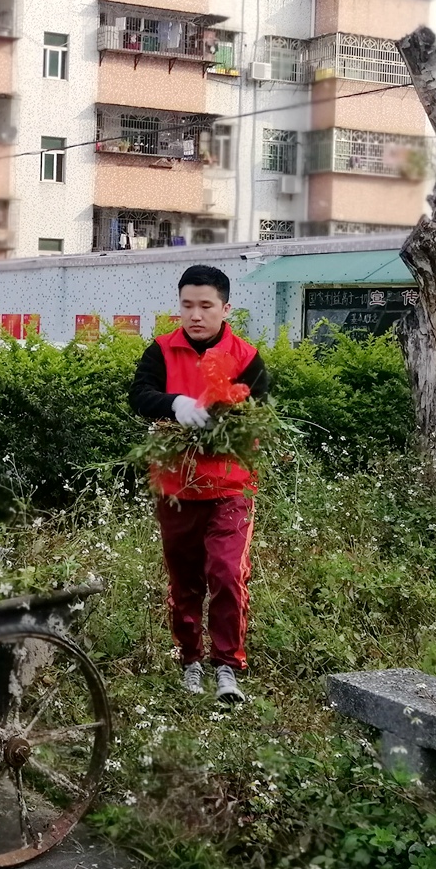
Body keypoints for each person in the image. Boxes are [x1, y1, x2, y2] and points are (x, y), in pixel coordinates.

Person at [129, 264, 269, 706]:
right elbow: (139, 395)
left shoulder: (247, 357)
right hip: (175, 485)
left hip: (231, 485)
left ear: (225, 308)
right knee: (184, 578)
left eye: (205, 306)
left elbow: (258, 412)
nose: (195, 314)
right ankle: (190, 660)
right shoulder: (161, 351)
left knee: (226, 574)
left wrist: (225, 415)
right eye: (187, 305)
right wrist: (177, 404)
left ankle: (227, 665)